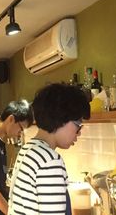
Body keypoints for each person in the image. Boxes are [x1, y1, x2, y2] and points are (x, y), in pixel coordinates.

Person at [7, 83, 90, 215]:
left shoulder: (27, 149)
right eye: (78, 125)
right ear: (61, 119)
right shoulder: (50, 161)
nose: (79, 133)